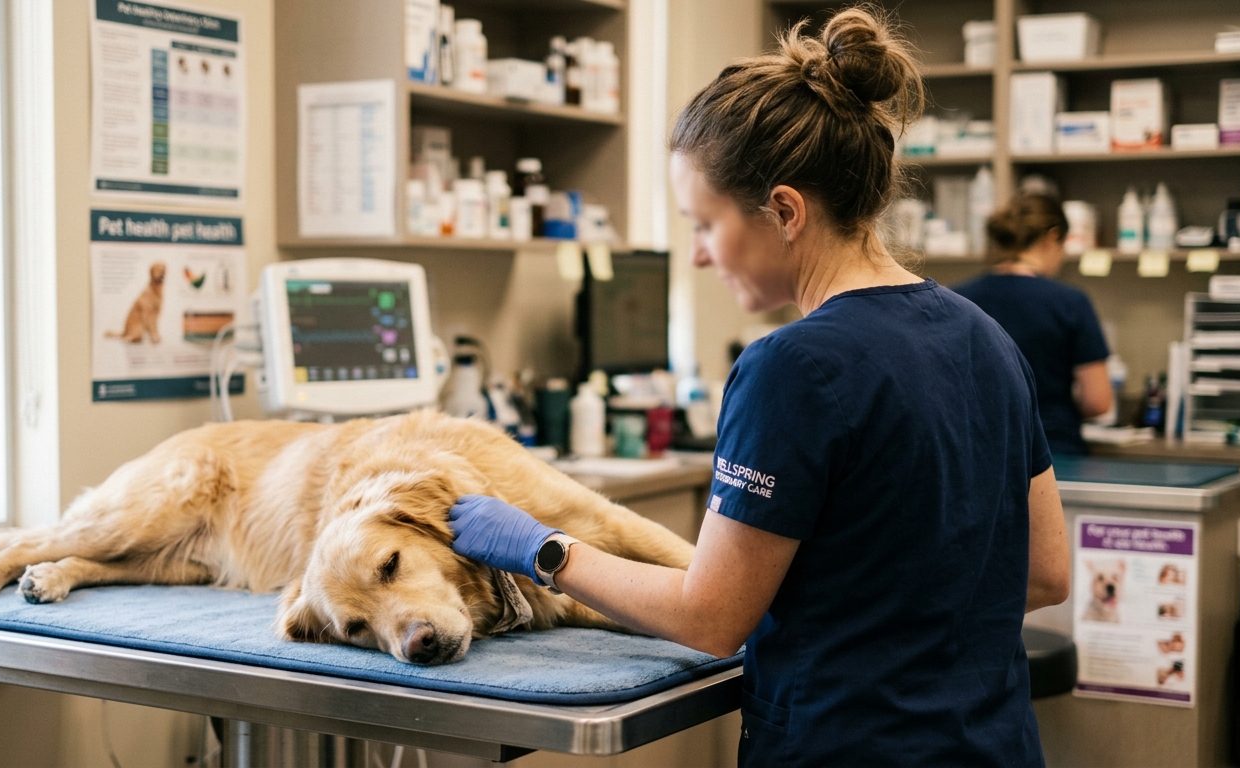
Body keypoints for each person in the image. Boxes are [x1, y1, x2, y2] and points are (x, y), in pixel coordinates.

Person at [448, 8, 1070, 766]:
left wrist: (541, 548)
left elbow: (711, 619)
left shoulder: (793, 367)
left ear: (783, 210)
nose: (699, 257)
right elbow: (1045, 574)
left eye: (703, 225)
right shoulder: (986, 337)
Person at [953, 194, 1114, 455]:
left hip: (980, 452)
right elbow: (1098, 401)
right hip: (1052, 449)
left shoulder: (959, 299)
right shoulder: (1069, 303)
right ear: (1053, 237)